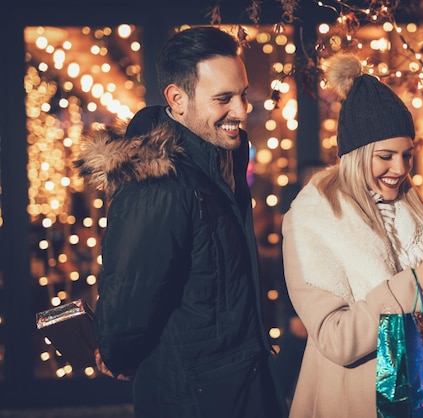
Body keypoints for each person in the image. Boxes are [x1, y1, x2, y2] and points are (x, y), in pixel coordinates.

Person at [75, 26, 287, 418]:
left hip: (237, 385)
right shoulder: (160, 185)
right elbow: (130, 301)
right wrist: (118, 354)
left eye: (242, 95)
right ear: (177, 99)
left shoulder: (220, 163)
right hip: (193, 398)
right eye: (224, 99)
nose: (241, 110)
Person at [281, 53, 423, 417]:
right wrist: (418, 280)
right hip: (356, 401)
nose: (401, 169)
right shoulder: (313, 217)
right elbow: (336, 338)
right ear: (356, 154)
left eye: (407, 155)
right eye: (386, 156)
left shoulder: (412, 206)